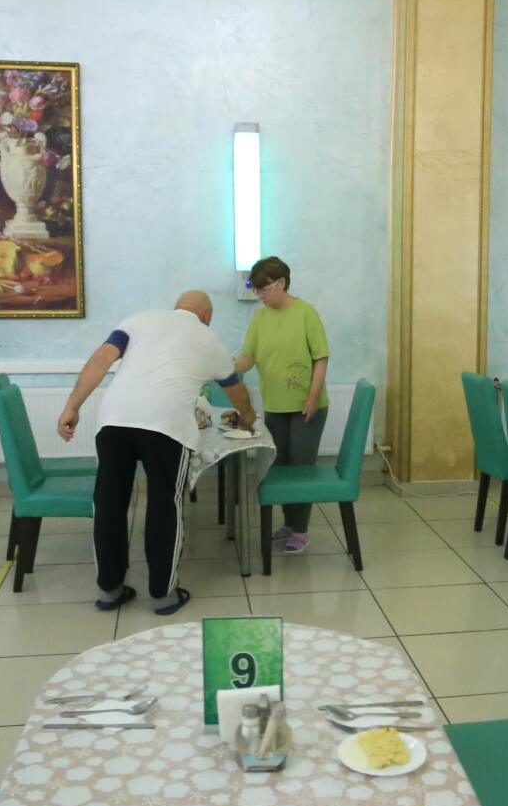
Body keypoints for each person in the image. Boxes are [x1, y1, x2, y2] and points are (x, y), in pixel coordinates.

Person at [57, 290, 256, 614]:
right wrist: (248, 418)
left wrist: (72, 407)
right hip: (166, 426)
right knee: (165, 504)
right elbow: (237, 391)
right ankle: (163, 594)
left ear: (176, 307)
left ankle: (110, 590)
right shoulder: (209, 339)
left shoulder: (139, 320)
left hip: (114, 421)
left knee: (109, 502)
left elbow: (101, 359)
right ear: (207, 316)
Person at [234, 256, 330, 554]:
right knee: (280, 467)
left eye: (264, 289)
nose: (260, 296)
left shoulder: (305, 313)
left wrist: (312, 396)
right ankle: (289, 524)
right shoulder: (260, 318)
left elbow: (320, 357)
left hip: (306, 407)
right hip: (275, 405)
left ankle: (300, 530)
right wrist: (225, 369)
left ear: (282, 283)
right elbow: (248, 356)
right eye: (256, 290)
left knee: (301, 468)